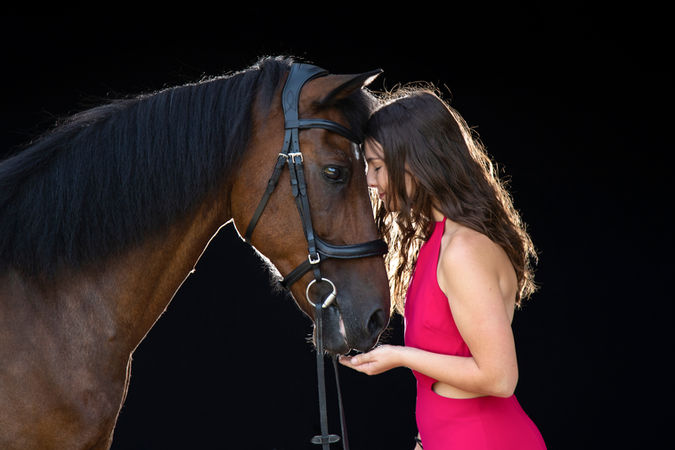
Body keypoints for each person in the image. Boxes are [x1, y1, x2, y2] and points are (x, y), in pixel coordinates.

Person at [338, 86, 546, 449]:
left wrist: (398, 356)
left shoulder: (462, 249)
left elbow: (499, 378)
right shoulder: (440, 239)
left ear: (413, 162)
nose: (370, 181)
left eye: (376, 166)